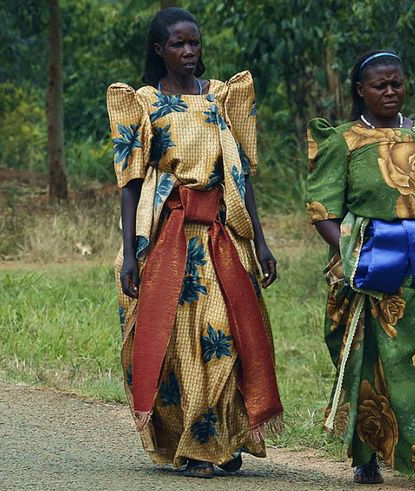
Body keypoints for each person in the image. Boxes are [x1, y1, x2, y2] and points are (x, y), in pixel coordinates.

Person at [106, 7, 283, 479]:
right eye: (179, 44)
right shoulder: (142, 103)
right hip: (169, 240)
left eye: (195, 43)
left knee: (226, 337)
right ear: (159, 49)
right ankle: (193, 445)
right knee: (177, 340)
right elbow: (130, 182)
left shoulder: (222, 98)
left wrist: (261, 244)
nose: (189, 51)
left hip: (222, 237)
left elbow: (241, 178)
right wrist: (129, 251)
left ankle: (221, 437)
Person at [305, 50, 415, 489]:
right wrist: (352, 254)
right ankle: (367, 454)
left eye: (395, 83)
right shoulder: (342, 140)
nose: (389, 91)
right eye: (379, 85)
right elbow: (323, 210)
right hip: (368, 270)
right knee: (370, 364)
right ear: (360, 90)